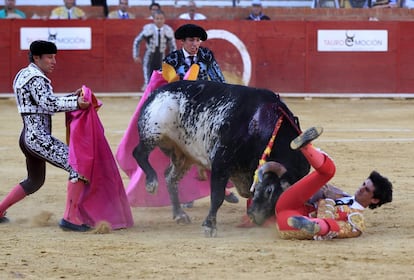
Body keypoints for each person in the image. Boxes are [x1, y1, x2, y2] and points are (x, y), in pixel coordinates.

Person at [0, 40, 90, 227]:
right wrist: (76, 103)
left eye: (54, 57)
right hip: (38, 139)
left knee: (35, 181)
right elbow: (48, 104)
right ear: (36, 58)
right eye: (49, 57)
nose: (53, 61)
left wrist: (72, 98)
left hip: (27, 137)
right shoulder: (36, 78)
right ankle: (70, 218)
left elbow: (42, 103)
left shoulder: (23, 74)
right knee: (78, 165)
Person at [163, 23, 237, 206]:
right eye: (191, 40)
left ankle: (220, 186)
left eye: (197, 40)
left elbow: (218, 78)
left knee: (216, 145)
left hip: (206, 107)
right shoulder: (171, 59)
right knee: (184, 152)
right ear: (182, 42)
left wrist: (227, 96)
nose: (195, 44)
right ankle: (190, 193)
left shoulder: (206, 55)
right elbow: (166, 86)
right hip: (182, 112)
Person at [275, 126, 393, 240]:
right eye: (363, 184)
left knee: (333, 226)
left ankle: (314, 225)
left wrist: (327, 202)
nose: (361, 189)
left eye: (367, 189)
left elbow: (340, 231)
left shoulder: (356, 219)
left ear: (375, 200)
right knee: (329, 172)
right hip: (289, 204)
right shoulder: (340, 193)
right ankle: (306, 146)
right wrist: (318, 190)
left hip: (289, 223)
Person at [132, 9, 177, 91]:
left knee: (161, 77)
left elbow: (173, 46)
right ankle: (146, 95)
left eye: (161, 18)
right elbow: (137, 41)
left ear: (164, 19)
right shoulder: (148, 28)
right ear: (153, 19)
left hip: (161, 56)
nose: (159, 21)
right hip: (149, 55)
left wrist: (172, 59)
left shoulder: (168, 30)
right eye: (157, 18)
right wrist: (136, 55)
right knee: (147, 76)